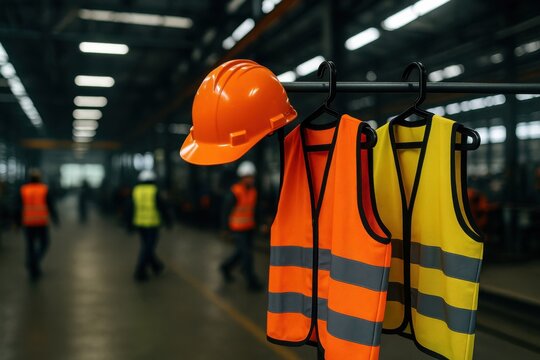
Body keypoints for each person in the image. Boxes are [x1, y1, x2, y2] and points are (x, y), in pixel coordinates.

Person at [219, 161, 262, 291]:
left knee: (240, 254)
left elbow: (255, 210)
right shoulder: (235, 192)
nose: (251, 179)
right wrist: (225, 229)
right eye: (248, 177)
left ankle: (225, 268)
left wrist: (260, 223)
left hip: (249, 228)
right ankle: (251, 282)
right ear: (242, 178)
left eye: (252, 176)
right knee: (247, 256)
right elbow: (226, 211)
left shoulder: (253, 191)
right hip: (237, 229)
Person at [127, 170, 171, 282]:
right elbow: (162, 207)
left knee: (146, 247)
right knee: (148, 248)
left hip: (140, 224)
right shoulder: (154, 191)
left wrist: (129, 224)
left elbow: (130, 208)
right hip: (152, 224)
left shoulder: (136, 191)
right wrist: (169, 221)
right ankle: (139, 271)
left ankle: (157, 267)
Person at [18, 169, 59, 280]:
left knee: (30, 246)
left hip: (28, 222)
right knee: (44, 244)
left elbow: (18, 207)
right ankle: (34, 263)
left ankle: (33, 266)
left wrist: (17, 223)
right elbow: (50, 205)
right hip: (41, 222)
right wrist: (55, 218)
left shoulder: (24, 189)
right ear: (40, 178)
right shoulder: (44, 189)